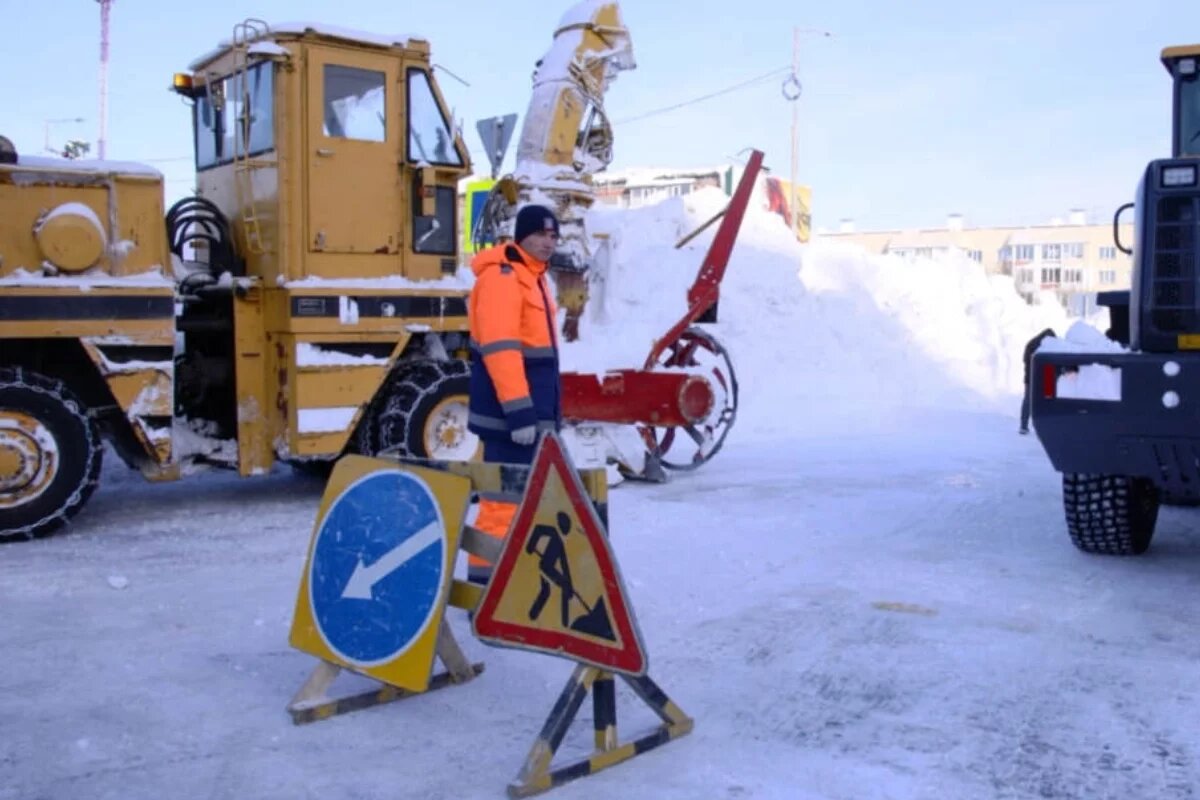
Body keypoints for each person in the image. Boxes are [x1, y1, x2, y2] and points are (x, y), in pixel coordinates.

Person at [466, 204, 563, 584]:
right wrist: (520, 412)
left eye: (554, 236)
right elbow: (501, 349)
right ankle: (483, 587)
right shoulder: (504, 278)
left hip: (531, 416)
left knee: (525, 501)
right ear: (521, 236)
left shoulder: (533, 277)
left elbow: (540, 355)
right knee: (502, 504)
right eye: (541, 234)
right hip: (510, 419)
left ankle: (507, 582)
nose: (548, 242)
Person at [1020, 328, 1057, 434]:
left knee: (1029, 400)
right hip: (1041, 375)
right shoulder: (1042, 346)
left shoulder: (1032, 345)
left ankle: (1024, 426)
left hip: (1035, 375)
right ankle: (1046, 426)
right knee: (1046, 400)